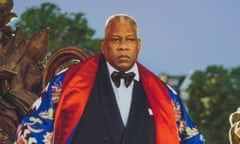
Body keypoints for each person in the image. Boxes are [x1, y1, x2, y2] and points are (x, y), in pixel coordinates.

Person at [14, 14, 205, 144]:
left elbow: (191, 138)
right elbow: (32, 129)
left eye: (129, 40)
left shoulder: (164, 94)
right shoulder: (67, 82)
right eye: (115, 40)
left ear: (138, 46)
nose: (123, 46)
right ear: (104, 45)